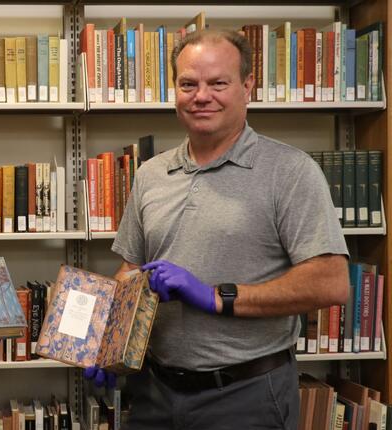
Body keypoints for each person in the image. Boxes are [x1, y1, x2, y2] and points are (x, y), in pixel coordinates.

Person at [91, 29, 349, 429]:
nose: (201, 96)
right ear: (174, 89)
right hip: (155, 393)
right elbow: (129, 273)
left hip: (246, 396)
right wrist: (108, 346)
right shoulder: (151, 174)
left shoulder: (290, 172)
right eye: (188, 84)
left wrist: (216, 297)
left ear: (247, 86)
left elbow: (330, 283)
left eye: (218, 83)